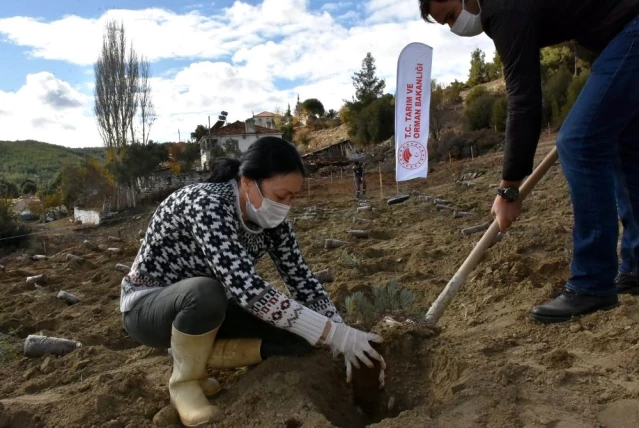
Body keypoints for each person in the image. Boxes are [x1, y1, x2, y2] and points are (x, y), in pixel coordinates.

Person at [119, 136, 386, 427]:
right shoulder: (206, 204)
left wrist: (339, 333)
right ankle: (185, 383)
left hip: (213, 311)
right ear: (247, 182)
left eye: (292, 197)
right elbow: (249, 291)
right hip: (149, 307)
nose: (286, 205)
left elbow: (303, 281)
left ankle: (194, 352)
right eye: (280, 195)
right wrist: (335, 334)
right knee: (204, 292)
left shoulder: (273, 224)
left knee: (300, 338)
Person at [418, 0, 639, 323]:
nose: (454, 27)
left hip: (631, 31)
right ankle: (635, 266)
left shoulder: (502, 10)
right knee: (625, 147)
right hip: (621, 36)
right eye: (446, 24)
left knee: (578, 143)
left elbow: (523, 100)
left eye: (451, 16)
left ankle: (592, 283)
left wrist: (508, 189)